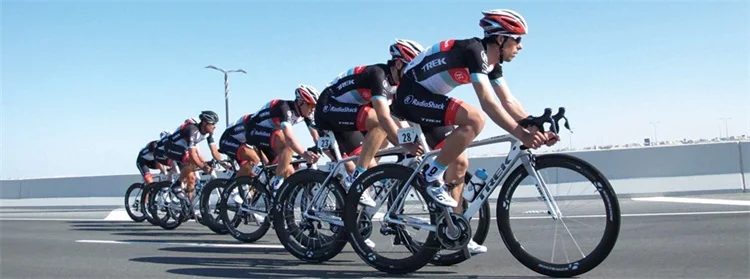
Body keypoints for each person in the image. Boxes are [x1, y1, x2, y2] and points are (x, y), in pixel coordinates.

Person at [391, 9, 560, 254]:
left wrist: (530, 123)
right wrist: (522, 135)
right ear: (500, 39)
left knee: (459, 161)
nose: (521, 47)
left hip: (428, 99)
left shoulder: (492, 63)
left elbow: (508, 101)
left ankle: (454, 230)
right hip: (409, 96)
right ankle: (429, 175)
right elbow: (488, 103)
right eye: (518, 39)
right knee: (474, 118)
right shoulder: (474, 51)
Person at [313, 39, 426, 206]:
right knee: (380, 124)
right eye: (410, 69)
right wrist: (407, 145)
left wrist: (421, 136)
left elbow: (404, 115)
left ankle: (350, 196)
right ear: (399, 64)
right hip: (328, 107)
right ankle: (356, 177)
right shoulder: (379, 74)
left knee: (375, 158)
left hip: (348, 113)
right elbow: (383, 117)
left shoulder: (398, 85)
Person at [245, 84, 322, 195]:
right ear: (300, 102)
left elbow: (316, 136)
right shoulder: (284, 108)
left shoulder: (306, 114)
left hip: (270, 136)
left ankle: (277, 204)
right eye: (311, 106)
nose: (312, 110)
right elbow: (289, 139)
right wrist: (305, 154)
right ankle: (276, 186)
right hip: (253, 130)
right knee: (287, 145)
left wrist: (321, 148)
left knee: (289, 171)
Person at [162, 111, 226, 202]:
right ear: (204, 123)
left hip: (183, 149)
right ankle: (177, 184)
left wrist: (225, 164)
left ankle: (190, 207)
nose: (215, 126)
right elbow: (192, 155)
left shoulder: (209, 133)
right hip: (171, 147)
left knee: (192, 178)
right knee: (191, 161)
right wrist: (203, 167)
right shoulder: (192, 130)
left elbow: (214, 152)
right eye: (213, 124)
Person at [218, 113, 265, 178]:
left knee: (252, 175)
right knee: (254, 159)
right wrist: (266, 163)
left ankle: (241, 185)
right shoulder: (257, 125)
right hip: (227, 140)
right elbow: (257, 148)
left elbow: (259, 148)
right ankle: (233, 186)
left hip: (237, 143)